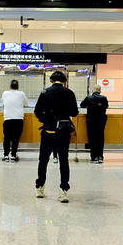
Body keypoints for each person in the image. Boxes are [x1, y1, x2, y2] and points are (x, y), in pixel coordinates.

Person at [34, 70, 78, 203]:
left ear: (51, 80)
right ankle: (63, 190)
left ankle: (40, 187)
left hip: (48, 131)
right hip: (63, 132)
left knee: (43, 160)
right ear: (64, 81)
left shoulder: (45, 92)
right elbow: (74, 112)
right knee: (63, 161)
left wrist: (45, 119)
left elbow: (37, 111)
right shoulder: (69, 93)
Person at [1, 79, 29, 161]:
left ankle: (6, 155)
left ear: (10, 86)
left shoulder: (5, 93)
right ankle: (13, 155)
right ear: (18, 87)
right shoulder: (22, 94)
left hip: (7, 118)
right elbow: (26, 104)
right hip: (18, 119)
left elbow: (3, 103)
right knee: (15, 138)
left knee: (7, 138)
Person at [80, 84, 108, 163]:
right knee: (100, 138)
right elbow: (106, 106)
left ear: (93, 90)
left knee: (92, 138)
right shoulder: (104, 98)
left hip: (91, 121)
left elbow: (82, 105)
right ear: (100, 91)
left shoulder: (88, 98)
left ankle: (94, 157)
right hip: (101, 121)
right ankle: (100, 156)